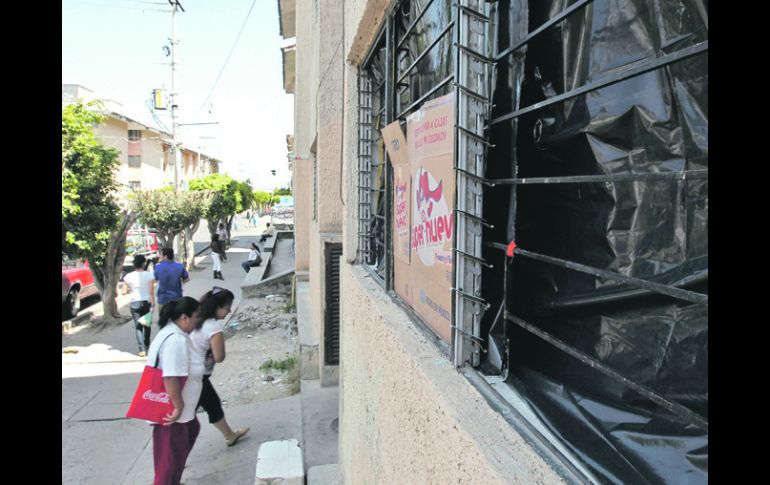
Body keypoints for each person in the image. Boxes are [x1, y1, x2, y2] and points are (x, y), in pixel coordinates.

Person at [146, 296, 204, 485]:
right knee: (169, 461)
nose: (199, 321)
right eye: (196, 317)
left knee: (178, 448)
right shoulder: (176, 340)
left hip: (178, 412)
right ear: (184, 317)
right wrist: (177, 407)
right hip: (173, 413)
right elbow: (170, 376)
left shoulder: (169, 333)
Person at [190, 287, 250, 447]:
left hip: (192, 372)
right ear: (217, 307)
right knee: (189, 413)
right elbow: (219, 357)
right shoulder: (213, 328)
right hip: (197, 375)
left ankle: (229, 435)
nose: (230, 311)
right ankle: (174, 446)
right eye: (227, 307)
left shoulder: (197, 320)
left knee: (212, 404)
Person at [122, 254, 154, 357]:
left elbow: (123, 292)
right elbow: (151, 292)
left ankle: (141, 350)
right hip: (146, 302)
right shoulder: (149, 275)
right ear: (144, 264)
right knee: (147, 325)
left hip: (134, 303)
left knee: (138, 327)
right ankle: (147, 345)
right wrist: (153, 303)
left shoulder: (128, 276)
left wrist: (130, 290)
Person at [151, 248, 190, 317]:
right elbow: (186, 279)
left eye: (161, 255)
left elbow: (154, 280)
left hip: (163, 299)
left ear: (165, 256)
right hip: (177, 298)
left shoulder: (158, 267)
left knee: (163, 322)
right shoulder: (180, 266)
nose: (160, 256)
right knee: (176, 321)